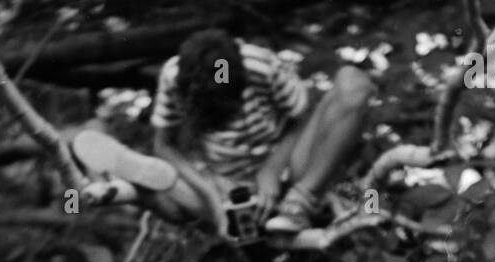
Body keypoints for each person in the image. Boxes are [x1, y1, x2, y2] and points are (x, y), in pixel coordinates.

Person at [149, 29, 373, 236]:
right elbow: (164, 146)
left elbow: (302, 115)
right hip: (229, 184)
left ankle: (302, 199)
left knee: (353, 80)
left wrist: (271, 170)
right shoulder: (174, 78)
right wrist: (212, 195)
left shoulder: (259, 65)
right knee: (155, 186)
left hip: (290, 167)